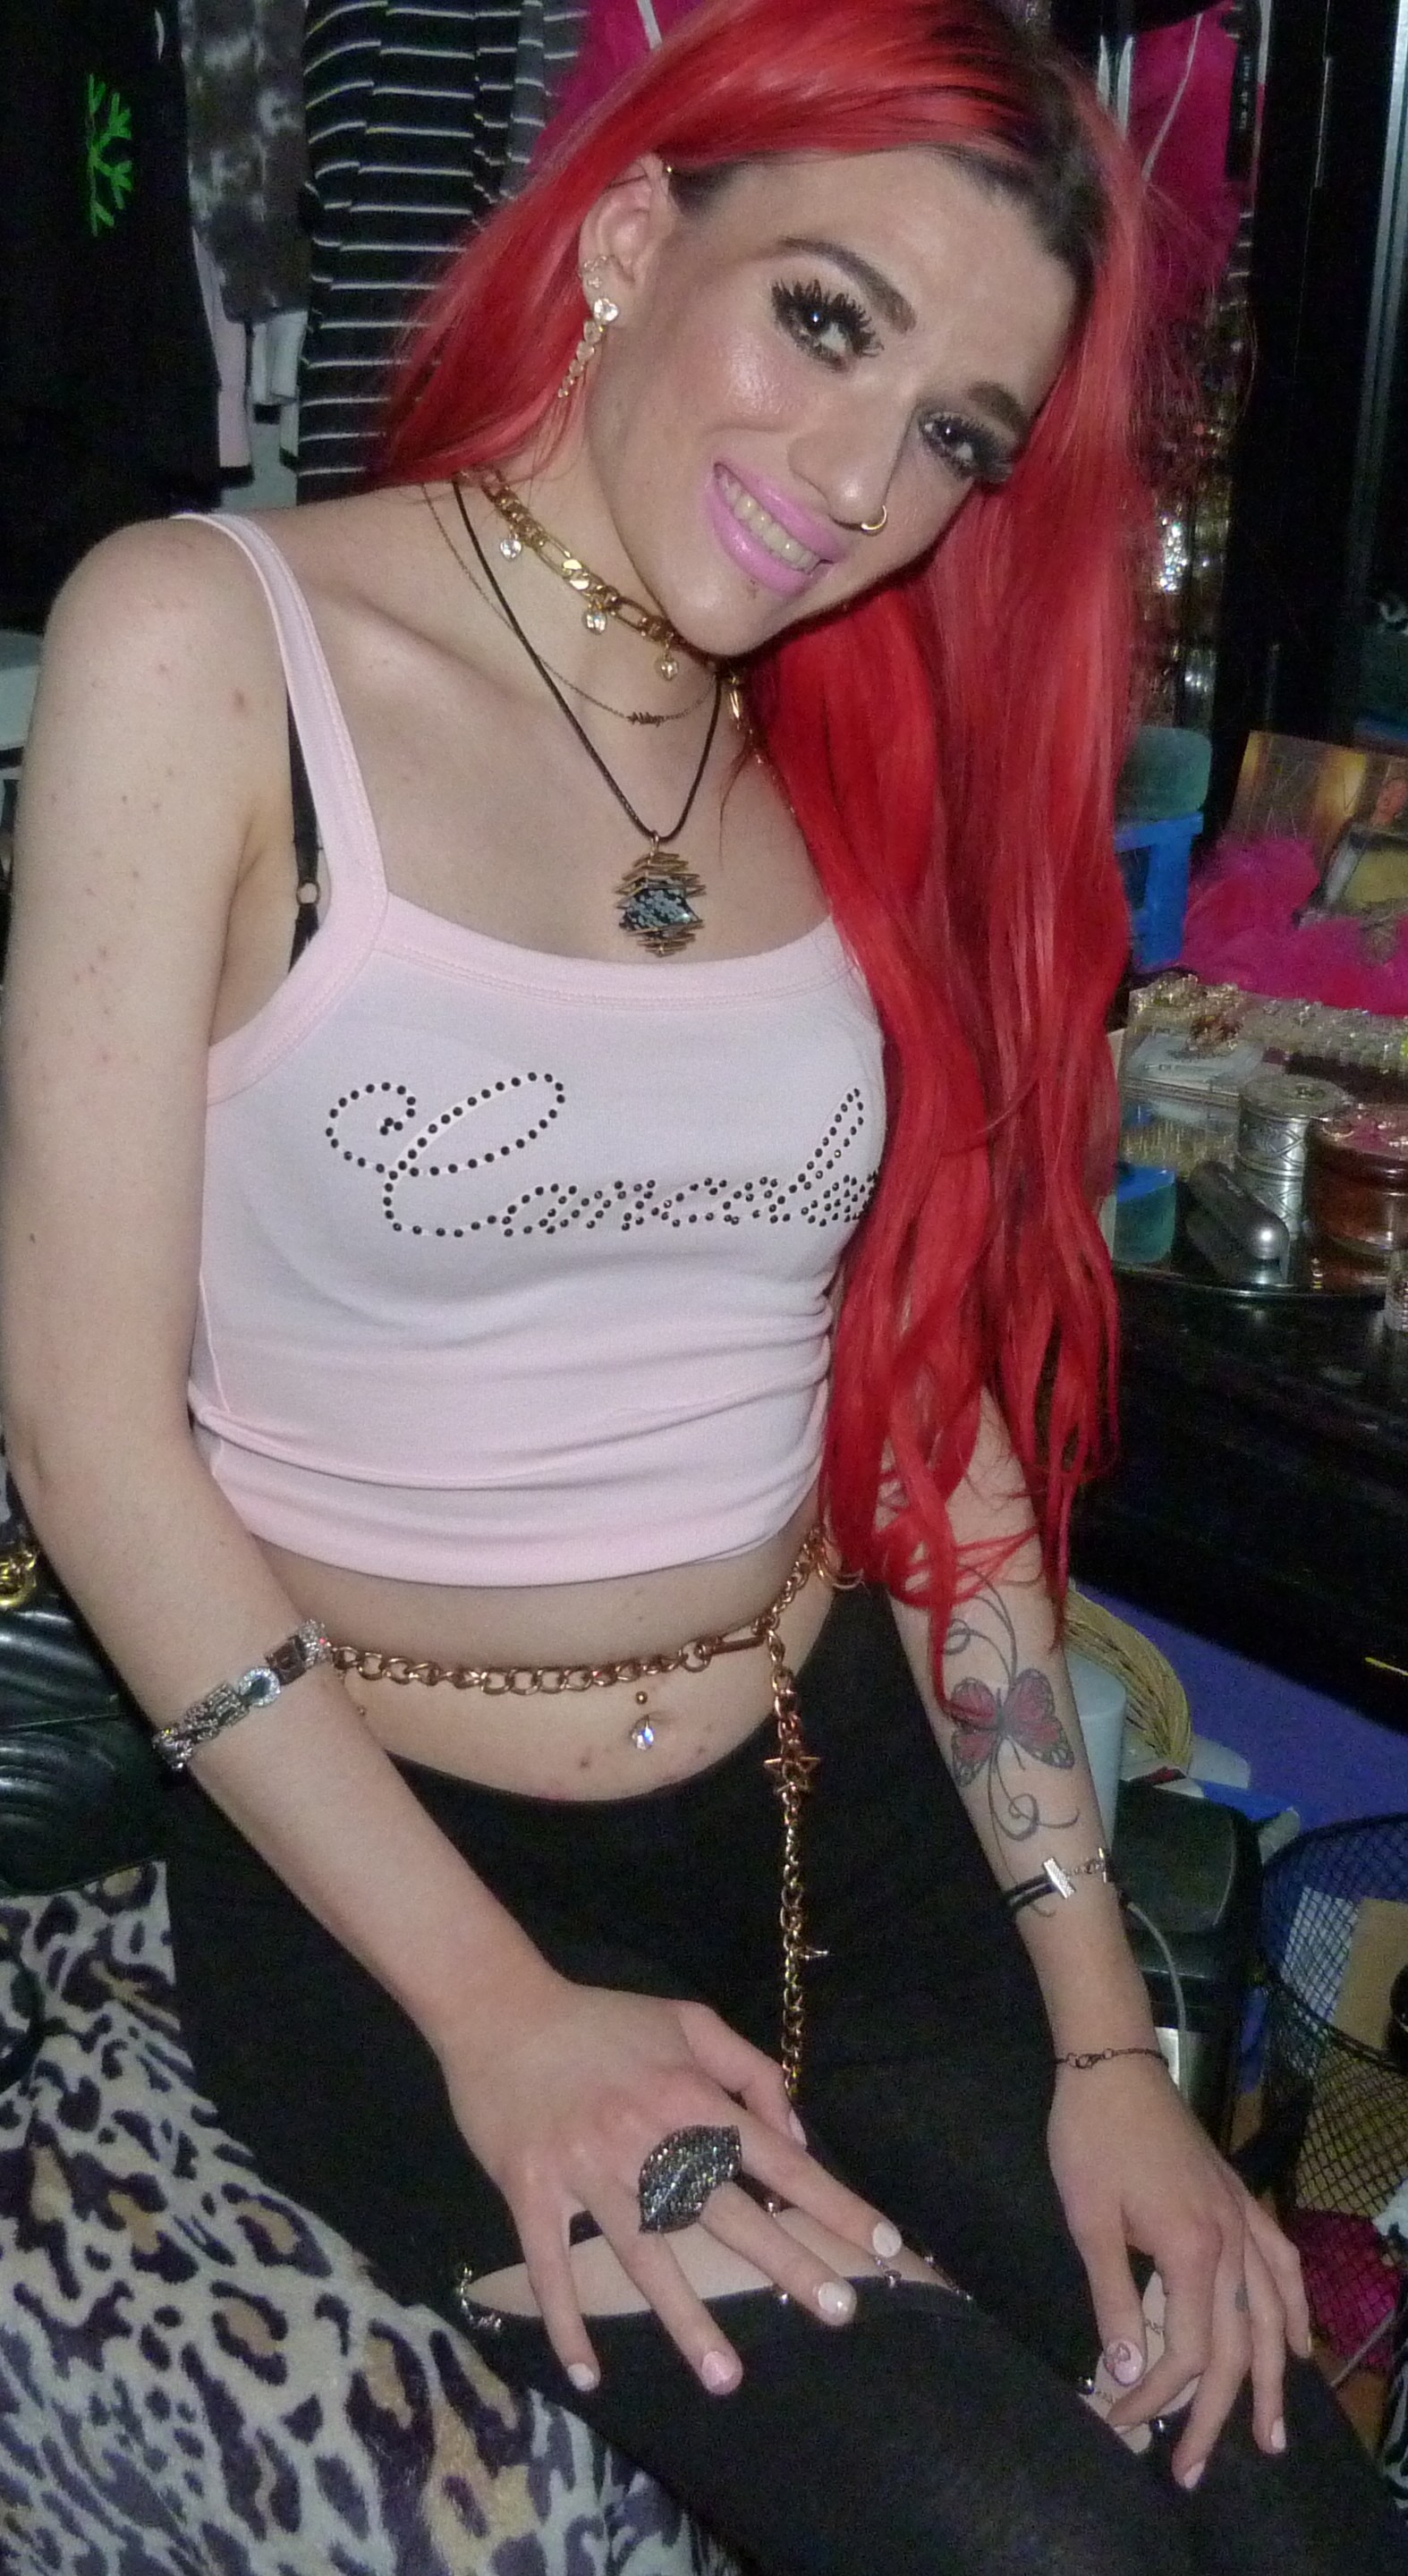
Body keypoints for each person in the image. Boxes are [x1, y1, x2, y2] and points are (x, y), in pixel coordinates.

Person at [1, 1, 1403, 2567]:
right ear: (636, 235)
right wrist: (497, 2021)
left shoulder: (846, 737)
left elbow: (928, 1428)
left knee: (1296, 2506)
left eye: (957, 433)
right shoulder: (207, 642)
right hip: (397, 1875)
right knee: (1048, 2546)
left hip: (831, 1818)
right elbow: (87, 1435)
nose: (861, 484)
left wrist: (1111, 2044)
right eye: (827, 319)